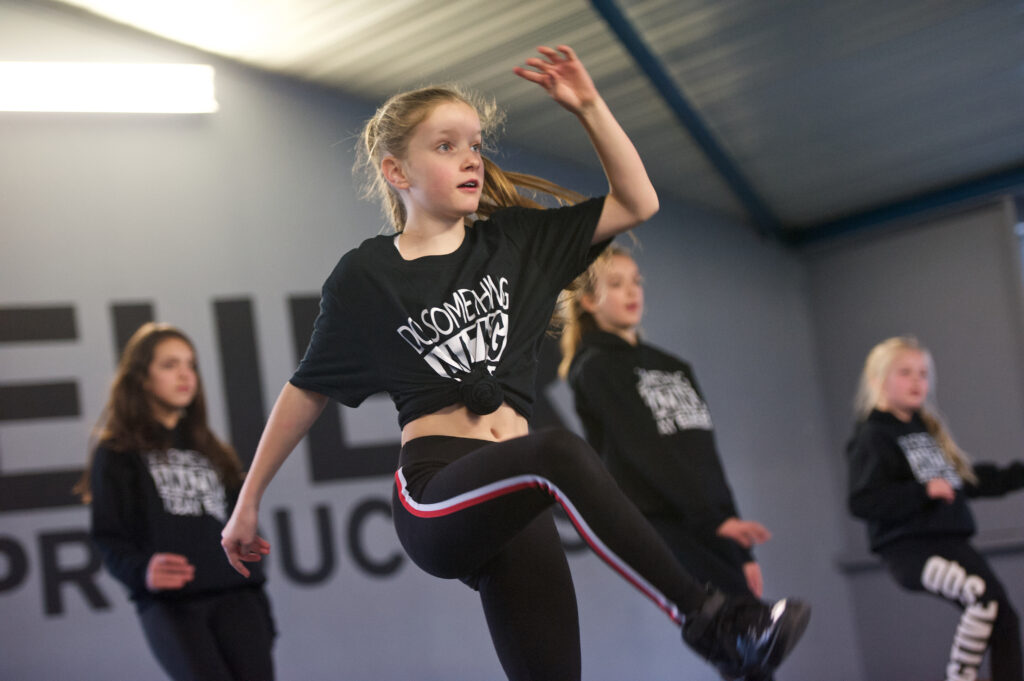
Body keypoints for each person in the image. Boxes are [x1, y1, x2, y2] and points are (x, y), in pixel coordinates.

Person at [220, 45, 808, 681]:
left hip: (520, 499)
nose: (471, 158)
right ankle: (712, 621)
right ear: (396, 170)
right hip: (436, 490)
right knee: (557, 453)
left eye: (475, 145)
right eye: (446, 146)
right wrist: (247, 502)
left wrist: (589, 106)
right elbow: (307, 389)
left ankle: (717, 627)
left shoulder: (517, 245)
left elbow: (637, 202)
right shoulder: (367, 275)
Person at [560, 245, 773, 601]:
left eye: (636, 281)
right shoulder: (595, 367)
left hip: (707, 517)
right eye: (616, 284)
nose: (632, 292)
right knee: (727, 618)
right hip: (657, 521)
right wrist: (713, 521)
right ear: (589, 301)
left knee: (752, 617)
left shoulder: (674, 365)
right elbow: (644, 449)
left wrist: (740, 546)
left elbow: (706, 456)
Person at [76, 322, 276, 681]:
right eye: (170, 365)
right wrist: (142, 571)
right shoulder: (118, 452)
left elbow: (241, 523)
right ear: (142, 377)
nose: (185, 375)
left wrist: (259, 594)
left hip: (238, 598)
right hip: (174, 605)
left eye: (191, 365)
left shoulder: (213, 448)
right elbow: (109, 537)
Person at [846, 336, 1024, 681]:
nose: (917, 381)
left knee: (1003, 618)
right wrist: (922, 490)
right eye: (905, 373)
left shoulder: (925, 430)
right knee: (982, 601)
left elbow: (967, 480)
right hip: (912, 550)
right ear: (878, 380)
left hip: (953, 543)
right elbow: (862, 500)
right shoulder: (874, 435)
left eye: (923, 374)